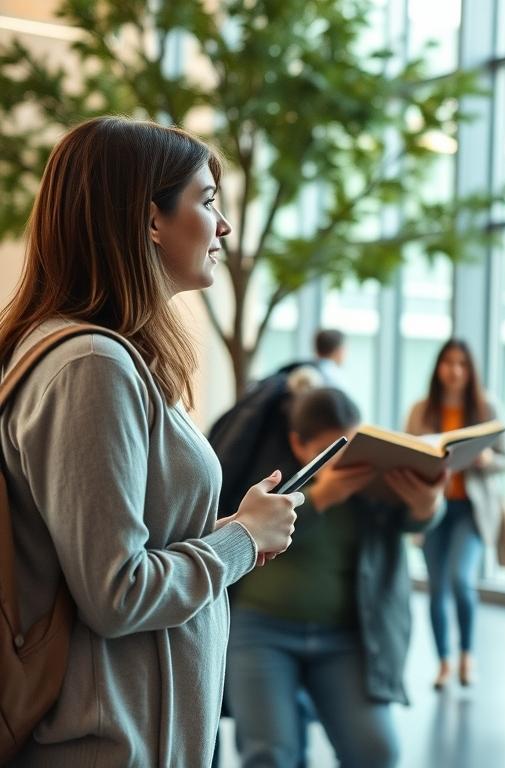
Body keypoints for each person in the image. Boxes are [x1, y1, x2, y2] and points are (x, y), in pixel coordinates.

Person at [0, 116, 301, 765]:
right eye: (207, 200)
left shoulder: (101, 359)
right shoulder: (91, 366)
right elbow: (118, 593)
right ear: (152, 220)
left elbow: (115, 544)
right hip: (110, 745)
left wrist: (225, 528)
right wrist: (241, 540)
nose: (223, 227)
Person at [226, 386, 447, 767]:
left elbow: (410, 520)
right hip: (262, 632)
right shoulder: (270, 481)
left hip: (344, 638)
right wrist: (323, 494)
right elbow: (247, 533)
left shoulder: (371, 485)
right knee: (271, 754)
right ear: (299, 444)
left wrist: (429, 505)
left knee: (377, 750)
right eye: (331, 451)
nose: (344, 459)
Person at [404, 338, 505, 689]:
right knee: (436, 588)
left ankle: (467, 654)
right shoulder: (421, 410)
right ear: (438, 367)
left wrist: (487, 459)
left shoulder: (486, 405)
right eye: (448, 363)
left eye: (462, 364)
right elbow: (404, 455)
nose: (455, 371)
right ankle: (444, 662)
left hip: (471, 509)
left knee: (461, 579)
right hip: (433, 508)